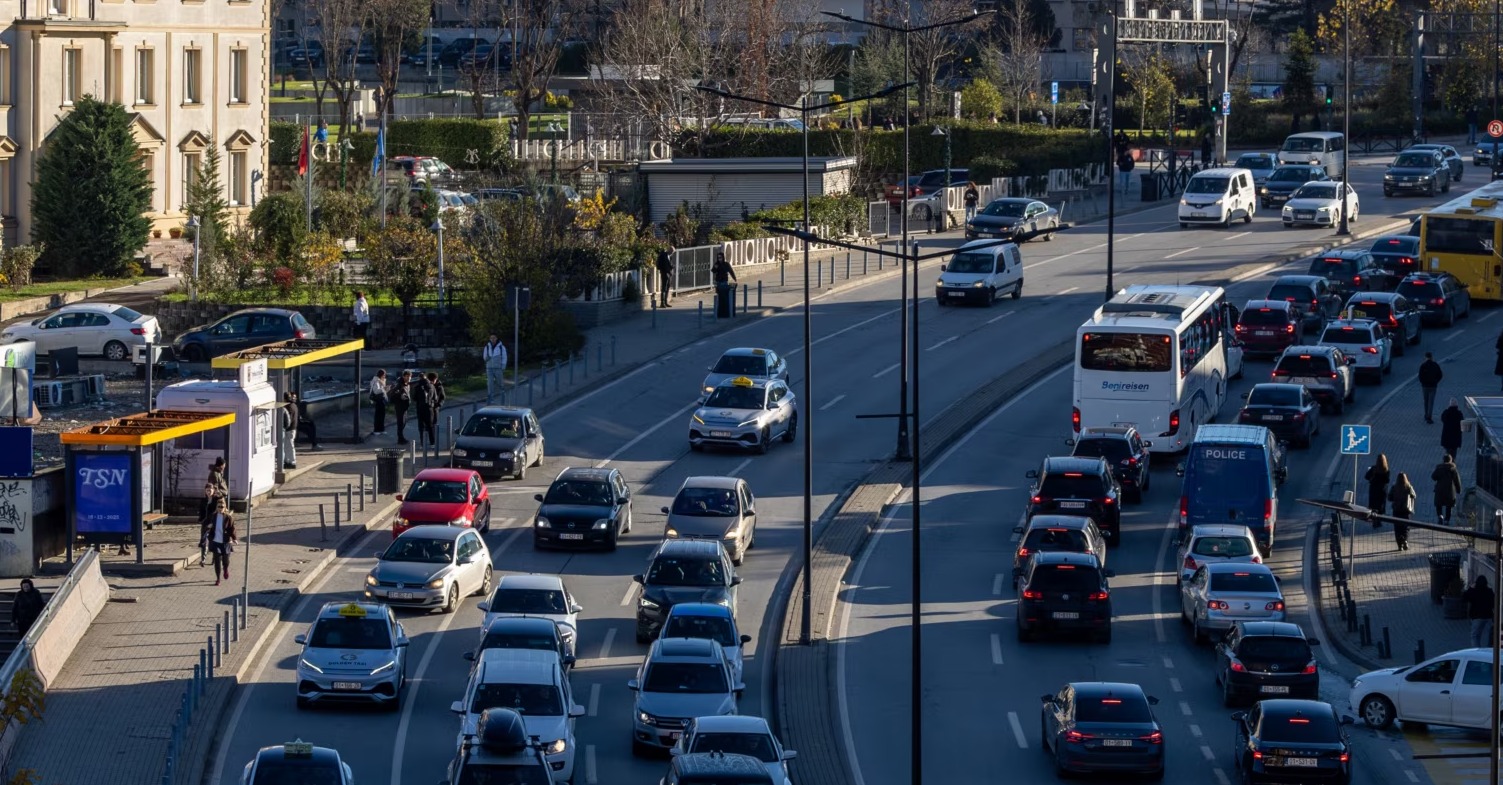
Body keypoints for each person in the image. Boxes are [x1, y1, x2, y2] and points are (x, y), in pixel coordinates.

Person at [200, 499, 238, 586]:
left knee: (226, 560)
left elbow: (232, 529)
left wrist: (234, 538)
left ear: (225, 508)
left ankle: (225, 569)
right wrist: (208, 526)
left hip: (225, 542)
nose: (220, 508)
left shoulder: (228, 517)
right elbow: (204, 524)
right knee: (217, 561)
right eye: (219, 507)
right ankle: (218, 579)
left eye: (222, 507)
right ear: (216, 507)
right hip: (216, 541)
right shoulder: (213, 516)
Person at [1465, 575, 1495, 648]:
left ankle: (1477, 651)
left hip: (1477, 617)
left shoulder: (1474, 591)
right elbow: (1494, 603)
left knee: (1475, 636)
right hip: (1488, 616)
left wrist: (1471, 588)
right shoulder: (1489, 591)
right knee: (1490, 636)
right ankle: (1489, 650)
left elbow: (1465, 597)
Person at [1432, 453, 1462, 525]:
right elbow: (1457, 480)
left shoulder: (1439, 468)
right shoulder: (1453, 469)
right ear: (1451, 460)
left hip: (1440, 490)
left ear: (1443, 460)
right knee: (1449, 506)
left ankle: (1440, 516)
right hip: (1450, 490)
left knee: (1439, 504)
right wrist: (1458, 489)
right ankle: (1447, 520)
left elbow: (1433, 477)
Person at [1388, 472, 1415, 550]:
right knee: (1406, 527)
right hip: (1406, 510)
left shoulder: (1394, 487)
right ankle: (1405, 540)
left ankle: (1400, 545)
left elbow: (1389, 497)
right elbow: (1414, 495)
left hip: (1396, 510)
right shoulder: (1408, 487)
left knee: (1397, 528)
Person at [412, 372, 437, 448]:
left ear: (419, 378)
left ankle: (423, 444)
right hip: (429, 408)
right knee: (430, 426)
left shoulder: (417, 386)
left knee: (421, 427)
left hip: (420, 408)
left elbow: (414, 398)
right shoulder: (432, 386)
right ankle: (432, 443)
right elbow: (435, 398)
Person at [1419, 352, 1444, 424]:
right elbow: (1440, 375)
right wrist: (1436, 381)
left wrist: (1423, 383)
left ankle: (1426, 415)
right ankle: (1429, 416)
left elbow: (1420, 376)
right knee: (1431, 402)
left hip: (1425, 386)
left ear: (1425, 357)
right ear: (1432, 357)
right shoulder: (1435, 365)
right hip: (1433, 386)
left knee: (1426, 401)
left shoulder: (1423, 366)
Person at [482, 335, 507, 404]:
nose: (492, 339)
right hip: (489, 368)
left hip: (498, 368)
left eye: (494, 338)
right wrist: (488, 357)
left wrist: (503, 367)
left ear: (497, 338)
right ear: (489, 339)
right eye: (491, 338)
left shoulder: (501, 347)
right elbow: (484, 358)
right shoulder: (487, 347)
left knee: (500, 383)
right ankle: (491, 400)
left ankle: (503, 398)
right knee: (490, 384)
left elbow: (504, 357)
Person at [424, 372, 446, 444]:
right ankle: (427, 438)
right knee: (427, 425)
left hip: (435, 408)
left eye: (434, 380)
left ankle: (433, 440)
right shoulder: (426, 386)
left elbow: (443, 397)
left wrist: (439, 404)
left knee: (434, 424)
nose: (433, 382)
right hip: (427, 408)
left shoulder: (439, 387)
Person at [391, 371, 412, 444]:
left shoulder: (407, 384)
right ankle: (400, 439)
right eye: (407, 376)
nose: (409, 378)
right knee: (400, 423)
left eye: (410, 376)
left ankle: (401, 437)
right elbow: (393, 393)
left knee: (404, 423)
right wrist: (400, 395)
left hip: (405, 406)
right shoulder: (399, 384)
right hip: (400, 406)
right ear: (404, 376)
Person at [282, 392, 299, 469]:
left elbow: (288, 420)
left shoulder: (288, 407)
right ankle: (288, 461)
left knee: (289, 445)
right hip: (293, 428)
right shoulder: (294, 405)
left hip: (289, 429)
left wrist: (285, 427)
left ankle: (291, 462)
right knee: (289, 445)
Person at [369, 369, 388, 435]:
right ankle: (376, 430)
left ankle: (381, 429)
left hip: (382, 400)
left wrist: (386, 389)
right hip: (378, 400)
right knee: (378, 415)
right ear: (381, 375)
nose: (384, 376)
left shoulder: (382, 381)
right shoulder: (376, 381)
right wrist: (384, 389)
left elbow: (382, 391)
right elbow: (376, 391)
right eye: (384, 375)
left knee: (382, 415)